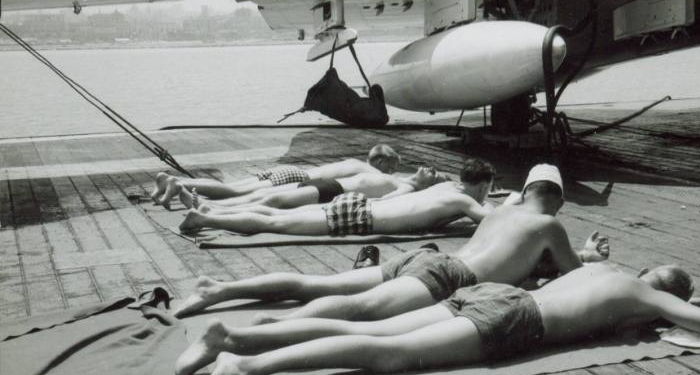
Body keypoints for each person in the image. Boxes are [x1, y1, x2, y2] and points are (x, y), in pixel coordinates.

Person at [171, 263, 700, 375]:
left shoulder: (607, 272)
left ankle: (238, 337)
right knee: (387, 354)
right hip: (516, 320)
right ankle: (246, 367)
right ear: (669, 293)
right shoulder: (647, 299)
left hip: (500, 293)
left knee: (371, 324)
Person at [172, 164, 609, 322]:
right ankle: (275, 328)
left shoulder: (501, 212)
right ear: (558, 201)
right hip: (448, 274)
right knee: (358, 308)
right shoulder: (548, 226)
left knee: (322, 282)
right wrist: (587, 255)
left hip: (425, 260)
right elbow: (575, 274)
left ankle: (222, 289)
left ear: (527, 188)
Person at [177, 158, 496, 238]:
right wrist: (505, 203)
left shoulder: (445, 189)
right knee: (277, 224)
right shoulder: (465, 201)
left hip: (359, 205)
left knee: (276, 215)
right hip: (361, 217)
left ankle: (209, 211)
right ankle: (206, 217)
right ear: (483, 186)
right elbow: (489, 219)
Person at [151, 144, 400, 209]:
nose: (389, 173)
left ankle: (174, 182)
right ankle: (178, 186)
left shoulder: (353, 161)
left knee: (231, 186)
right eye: (390, 167)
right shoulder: (371, 170)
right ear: (378, 161)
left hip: (286, 172)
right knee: (235, 192)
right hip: (294, 177)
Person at [195, 165, 447, 216]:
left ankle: (213, 210)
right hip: (326, 185)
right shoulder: (398, 177)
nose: (429, 168)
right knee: (262, 197)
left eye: (434, 173)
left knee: (274, 201)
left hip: (332, 191)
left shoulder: (407, 188)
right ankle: (213, 207)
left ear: (428, 185)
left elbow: (386, 201)